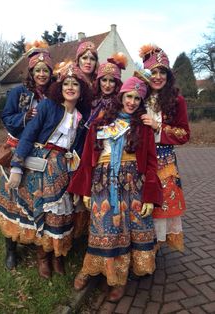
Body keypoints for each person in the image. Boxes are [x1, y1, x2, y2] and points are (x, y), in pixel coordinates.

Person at [68, 76, 162, 302]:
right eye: (129, 96)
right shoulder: (101, 121)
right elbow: (90, 157)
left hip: (133, 184)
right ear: (121, 96)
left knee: (126, 231)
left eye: (137, 99)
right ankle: (89, 270)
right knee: (103, 228)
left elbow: (151, 162)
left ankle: (119, 278)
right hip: (104, 181)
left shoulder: (143, 127)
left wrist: (149, 195)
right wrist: (86, 190)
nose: (132, 102)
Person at [0, 41, 54, 270]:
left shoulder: (53, 95)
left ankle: (32, 239)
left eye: (45, 70)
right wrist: (25, 117)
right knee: (11, 201)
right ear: (31, 71)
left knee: (35, 201)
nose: (41, 74)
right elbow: (7, 118)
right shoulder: (18, 92)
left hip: (41, 157)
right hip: (17, 152)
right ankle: (10, 249)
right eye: (37, 70)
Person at [139, 44, 190, 252]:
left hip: (165, 161)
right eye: (153, 72)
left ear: (168, 76)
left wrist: (158, 126)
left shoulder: (177, 100)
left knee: (161, 208)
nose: (157, 76)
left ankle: (154, 250)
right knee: (141, 205)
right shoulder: (139, 97)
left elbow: (185, 134)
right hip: (140, 159)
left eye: (162, 72)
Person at [73, 53, 128, 238]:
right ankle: (82, 237)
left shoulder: (122, 105)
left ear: (117, 84)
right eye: (104, 80)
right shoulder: (90, 101)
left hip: (110, 158)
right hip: (84, 150)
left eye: (112, 81)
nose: (107, 84)